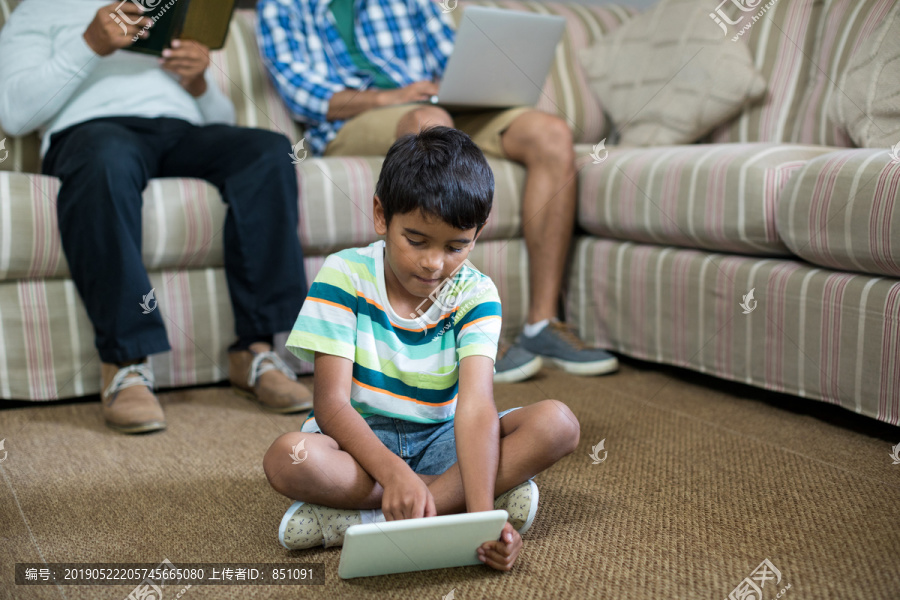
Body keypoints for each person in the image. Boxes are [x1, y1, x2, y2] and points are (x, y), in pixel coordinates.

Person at [263, 127, 580, 571]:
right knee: (288, 458)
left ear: (479, 231)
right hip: (357, 445)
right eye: (416, 241)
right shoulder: (343, 275)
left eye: (456, 246)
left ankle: (377, 515)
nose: (434, 263)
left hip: (440, 440)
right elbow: (331, 407)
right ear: (381, 215)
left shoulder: (477, 294)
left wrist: (482, 521)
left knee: (558, 424)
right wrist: (394, 475)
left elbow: (476, 409)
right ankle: (446, 499)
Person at [257, 0, 619, 383]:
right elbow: (303, 93)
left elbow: (451, 59)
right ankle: (453, 325)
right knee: (429, 123)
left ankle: (542, 323)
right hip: (354, 119)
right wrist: (390, 97)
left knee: (551, 134)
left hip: (439, 107)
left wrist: (469, 85)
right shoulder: (282, 5)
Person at [0, 0, 312, 433]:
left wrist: (200, 83)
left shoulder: (163, 9)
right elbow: (14, 114)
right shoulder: (39, 10)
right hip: (94, 132)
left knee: (268, 151)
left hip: (180, 131)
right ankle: (125, 361)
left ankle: (255, 350)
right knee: (105, 161)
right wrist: (89, 44)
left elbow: (221, 120)